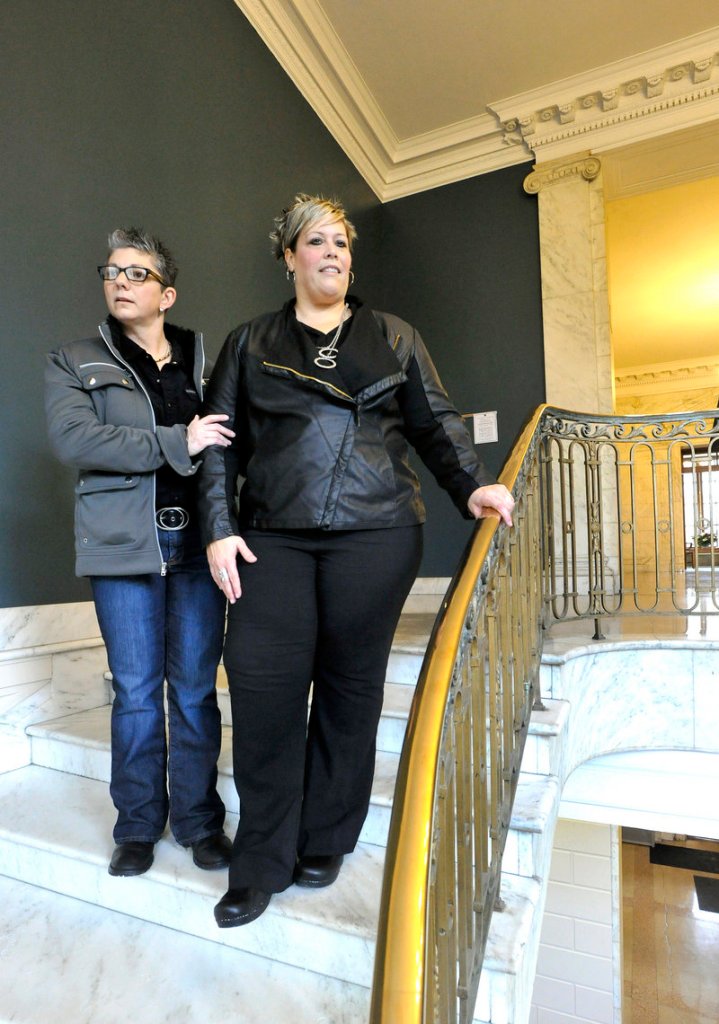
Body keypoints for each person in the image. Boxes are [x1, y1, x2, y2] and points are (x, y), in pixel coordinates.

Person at [199, 194, 515, 927]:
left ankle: (326, 837)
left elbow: (434, 423)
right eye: (316, 241)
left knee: (349, 694)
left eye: (341, 242)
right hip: (269, 536)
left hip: (375, 534)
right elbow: (218, 442)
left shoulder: (393, 335)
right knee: (264, 693)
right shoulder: (249, 342)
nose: (333, 252)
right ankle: (261, 858)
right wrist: (217, 527)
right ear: (289, 257)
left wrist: (470, 487)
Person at [45, 228, 235, 878]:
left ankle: (200, 822)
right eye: (112, 271)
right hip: (124, 548)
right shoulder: (74, 360)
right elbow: (78, 441)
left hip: (199, 545)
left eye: (137, 273)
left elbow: (235, 447)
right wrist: (178, 439)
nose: (120, 281)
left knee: (192, 692)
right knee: (133, 693)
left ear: (167, 292)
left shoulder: (208, 366)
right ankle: (137, 827)